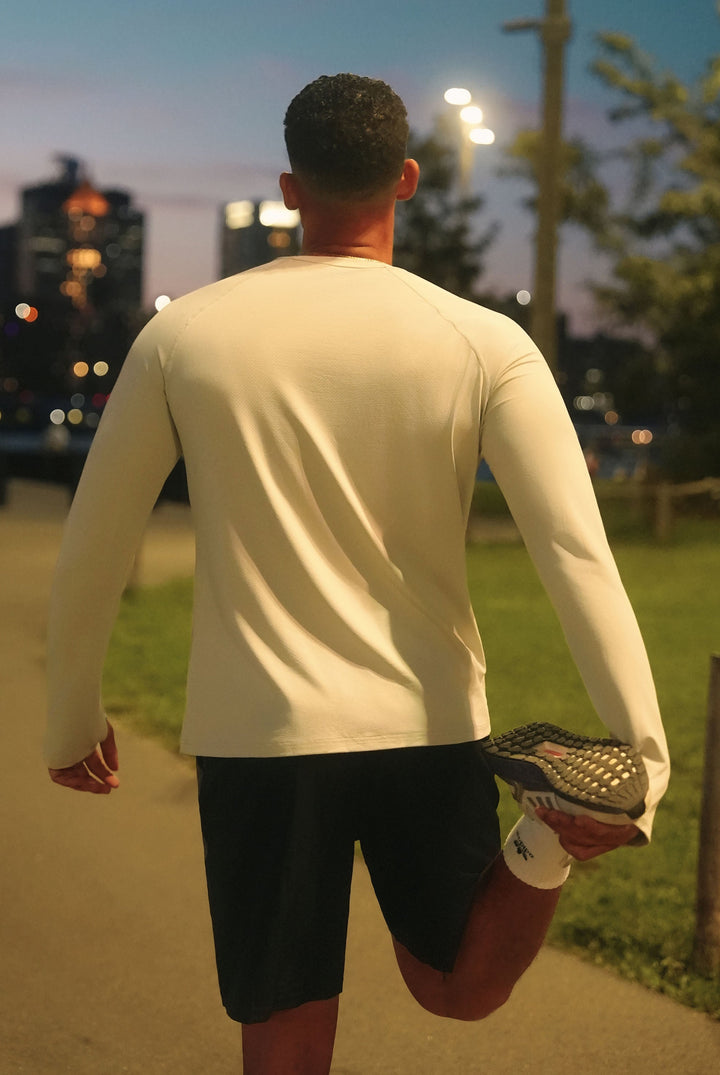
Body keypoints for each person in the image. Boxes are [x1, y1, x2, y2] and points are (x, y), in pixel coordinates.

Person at [45, 73, 670, 1074]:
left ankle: (554, 828)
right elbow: (573, 551)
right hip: (428, 718)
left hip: (261, 732)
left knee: (286, 1037)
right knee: (456, 986)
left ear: (291, 189)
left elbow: (94, 548)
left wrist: (70, 720)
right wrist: (644, 754)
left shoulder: (182, 337)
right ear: (408, 178)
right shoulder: (485, 343)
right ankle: (552, 833)